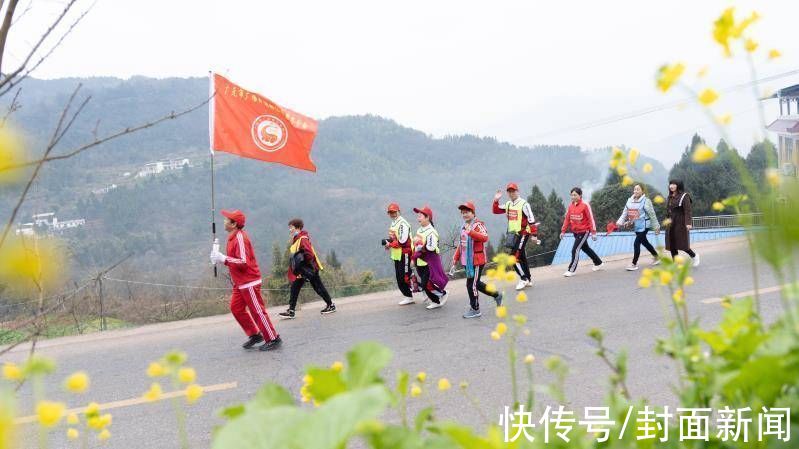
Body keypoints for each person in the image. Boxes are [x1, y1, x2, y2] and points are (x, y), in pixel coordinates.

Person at [210, 209, 281, 351]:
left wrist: (223, 258)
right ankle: (255, 334)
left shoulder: (240, 238)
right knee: (236, 308)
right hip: (239, 282)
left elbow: (243, 262)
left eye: (227, 219)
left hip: (249, 281)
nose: (224, 221)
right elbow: (233, 260)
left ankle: (273, 338)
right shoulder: (231, 237)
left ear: (234, 224)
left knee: (257, 311)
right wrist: (217, 256)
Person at [449, 201, 503, 318]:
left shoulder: (478, 225)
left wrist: (471, 232)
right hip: (467, 262)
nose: (465, 215)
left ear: (473, 213)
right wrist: (455, 259)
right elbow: (461, 244)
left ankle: (475, 309)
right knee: (476, 284)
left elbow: (485, 237)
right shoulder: (463, 226)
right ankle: (496, 295)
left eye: (467, 212)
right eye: (463, 213)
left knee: (471, 285)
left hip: (477, 260)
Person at [278, 218, 337, 319]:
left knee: (318, 287)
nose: (290, 230)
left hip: (310, 269)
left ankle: (331, 305)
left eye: (291, 228)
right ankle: (291, 310)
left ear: (298, 228)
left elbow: (309, 254)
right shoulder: (297, 239)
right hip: (303, 270)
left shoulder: (302, 239)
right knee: (295, 287)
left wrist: (305, 268)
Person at [493, 182, 539, 290]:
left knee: (513, 258)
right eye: (509, 191)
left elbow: (531, 219)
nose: (511, 193)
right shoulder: (508, 204)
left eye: (513, 191)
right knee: (521, 257)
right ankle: (528, 279)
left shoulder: (524, 204)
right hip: (513, 235)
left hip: (523, 233)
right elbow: (495, 210)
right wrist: (496, 200)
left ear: (517, 191)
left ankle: (523, 278)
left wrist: (534, 235)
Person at [560, 187, 603, 277]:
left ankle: (571, 269)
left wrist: (593, 232)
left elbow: (591, 219)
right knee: (585, 248)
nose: (573, 197)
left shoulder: (585, 205)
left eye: (575, 195)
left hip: (584, 231)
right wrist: (563, 231)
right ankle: (598, 262)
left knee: (575, 249)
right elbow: (567, 219)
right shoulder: (570, 206)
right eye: (572, 195)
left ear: (580, 195)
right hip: (575, 232)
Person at [616, 184, 661, 271]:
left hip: (644, 226)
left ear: (642, 191)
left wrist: (656, 227)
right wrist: (619, 222)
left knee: (636, 243)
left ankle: (634, 263)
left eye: (638, 189)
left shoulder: (646, 201)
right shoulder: (629, 201)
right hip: (636, 226)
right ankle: (657, 257)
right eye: (635, 189)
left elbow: (652, 214)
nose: (636, 191)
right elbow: (625, 213)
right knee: (645, 242)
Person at [412, 206, 448, 309]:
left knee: (426, 283)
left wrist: (420, 247)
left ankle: (442, 295)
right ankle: (436, 299)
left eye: (420, 216)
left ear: (427, 217)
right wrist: (414, 257)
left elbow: (431, 248)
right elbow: (417, 246)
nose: (418, 218)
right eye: (418, 216)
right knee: (426, 284)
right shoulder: (420, 230)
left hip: (429, 261)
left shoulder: (431, 232)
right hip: (421, 261)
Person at [384, 202, 417, 305]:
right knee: (400, 276)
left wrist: (390, 244)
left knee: (405, 276)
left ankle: (424, 289)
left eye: (394, 212)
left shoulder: (402, 223)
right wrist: (388, 243)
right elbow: (394, 238)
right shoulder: (393, 223)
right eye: (390, 212)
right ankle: (408, 296)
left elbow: (402, 241)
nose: (392, 214)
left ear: (399, 211)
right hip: (397, 254)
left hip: (405, 252)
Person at [665, 179, 699, 267]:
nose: (671, 186)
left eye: (673, 184)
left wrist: (688, 223)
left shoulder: (684, 196)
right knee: (672, 244)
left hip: (680, 222)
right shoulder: (670, 196)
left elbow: (688, 210)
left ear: (678, 185)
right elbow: (668, 211)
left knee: (682, 244)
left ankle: (694, 256)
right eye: (670, 184)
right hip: (670, 222)